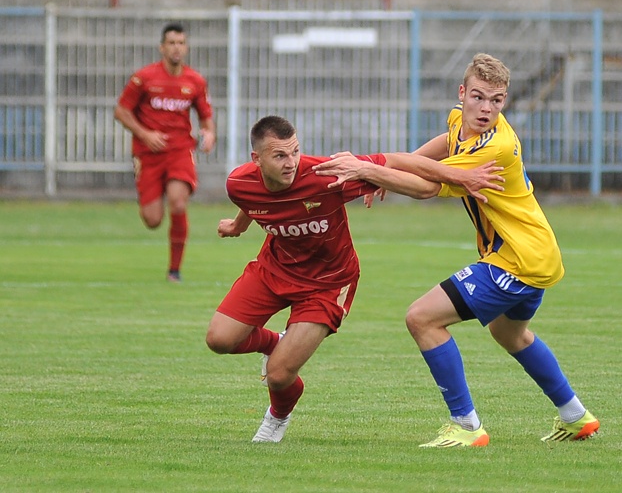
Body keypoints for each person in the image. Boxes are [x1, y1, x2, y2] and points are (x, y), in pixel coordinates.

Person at [314, 52, 599, 448]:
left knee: (422, 319)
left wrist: (370, 168)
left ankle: (466, 425)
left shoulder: (495, 147)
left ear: (505, 100)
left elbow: (430, 187)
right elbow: (436, 151)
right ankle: (575, 416)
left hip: (517, 261)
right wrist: (394, 171)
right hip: (534, 256)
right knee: (510, 335)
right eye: (479, 97)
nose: (486, 109)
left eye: (497, 100)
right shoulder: (459, 122)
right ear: (462, 93)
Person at [206, 115, 502, 443]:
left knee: (278, 375)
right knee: (218, 340)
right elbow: (253, 200)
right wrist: (238, 226)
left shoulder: (326, 175)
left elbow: (398, 161)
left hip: (328, 283)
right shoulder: (237, 183)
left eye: (295, 152)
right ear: (256, 160)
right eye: (279, 156)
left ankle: (277, 417)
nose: (291, 163)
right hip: (273, 270)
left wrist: (460, 176)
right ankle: (277, 342)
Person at [114, 22, 216, 283]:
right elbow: (121, 111)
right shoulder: (144, 78)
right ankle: (151, 190)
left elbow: (206, 117)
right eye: (171, 43)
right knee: (152, 219)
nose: (176, 48)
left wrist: (208, 133)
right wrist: (145, 134)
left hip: (180, 150)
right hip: (148, 153)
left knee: (178, 202)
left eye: (181, 43)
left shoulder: (195, 81)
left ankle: (174, 271)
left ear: (186, 47)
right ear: (162, 47)